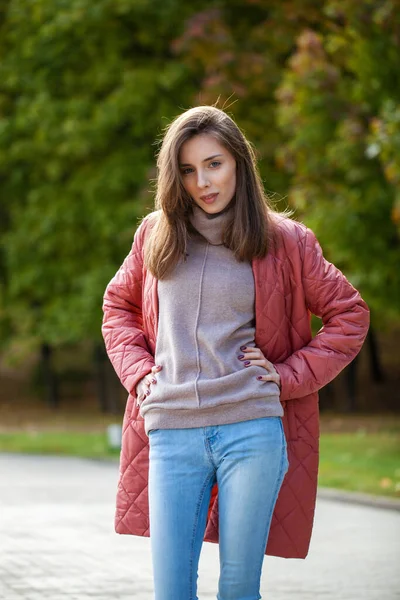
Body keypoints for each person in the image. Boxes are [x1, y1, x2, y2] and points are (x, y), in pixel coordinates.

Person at [101, 105, 370, 600]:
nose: (202, 181)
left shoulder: (286, 241)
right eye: (187, 169)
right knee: (171, 591)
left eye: (214, 163)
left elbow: (350, 315)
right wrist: (138, 373)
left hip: (251, 431)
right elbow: (116, 306)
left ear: (239, 163)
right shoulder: (155, 234)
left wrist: (288, 376)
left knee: (239, 588)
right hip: (171, 432)